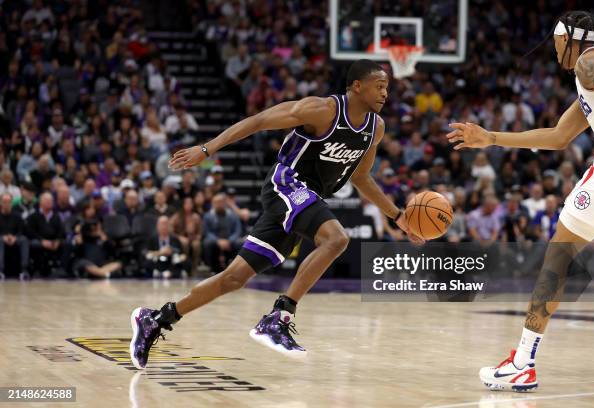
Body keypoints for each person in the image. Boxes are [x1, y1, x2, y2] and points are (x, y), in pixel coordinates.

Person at [129, 59, 422, 369]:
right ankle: (280, 316)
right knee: (336, 239)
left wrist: (397, 216)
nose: (385, 94)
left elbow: (361, 177)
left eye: (387, 88)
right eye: (380, 86)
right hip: (286, 184)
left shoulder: (375, 128)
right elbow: (259, 120)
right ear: (357, 86)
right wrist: (207, 148)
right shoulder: (321, 110)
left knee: (233, 278)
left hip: (304, 199)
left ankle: (157, 318)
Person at [447, 11, 594, 392]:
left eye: (558, 46)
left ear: (576, 39)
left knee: (558, 257)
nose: (556, 55)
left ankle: (522, 363)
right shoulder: (592, 75)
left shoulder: (591, 60)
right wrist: (490, 137)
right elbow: (557, 136)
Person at [202, 193, 242, 272]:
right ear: (213, 204)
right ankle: (212, 268)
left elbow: (237, 231)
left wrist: (229, 240)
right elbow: (207, 232)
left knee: (240, 243)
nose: (219, 204)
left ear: (225, 203)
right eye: (216, 202)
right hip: (215, 240)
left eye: (220, 202)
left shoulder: (233, 215)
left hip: (230, 240)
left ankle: (235, 269)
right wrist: (217, 241)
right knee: (207, 243)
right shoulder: (208, 216)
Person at [170, 197, 202, 275]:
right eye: (187, 203)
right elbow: (170, 229)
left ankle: (194, 266)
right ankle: (186, 264)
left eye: (190, 203)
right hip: (181, 237)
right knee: (184, 243)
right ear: (183, 205)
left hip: (193, 238)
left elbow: (200, 231)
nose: (188, 205)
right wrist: (178, 236)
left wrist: (198, 236)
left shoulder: (196, 217)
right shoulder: (177, 216)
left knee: (196, 245)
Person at [0, 193, 29, 280]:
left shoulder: (17, 216)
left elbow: (21, 230)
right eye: (4, 202)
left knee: (24, 240)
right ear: (0, 203)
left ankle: (24, 270)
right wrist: (3, 237)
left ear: (12, 203)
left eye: (8, 202)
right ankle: (0, 271)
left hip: (15, 238)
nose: (6, 204)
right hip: (1, 239)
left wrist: (15, 237)